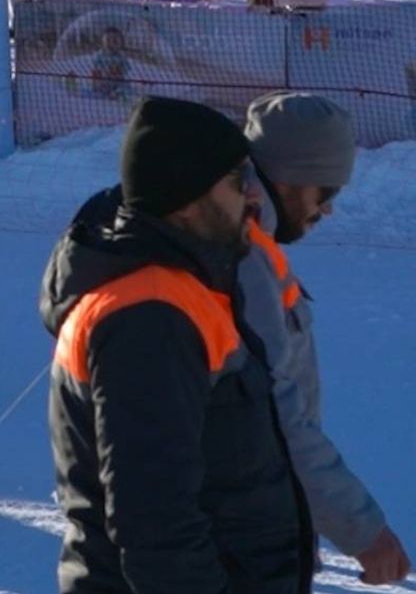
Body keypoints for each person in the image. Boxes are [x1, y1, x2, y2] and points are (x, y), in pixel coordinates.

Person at [40, 96, 311, 593]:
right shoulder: (149, 316)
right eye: (235, 182)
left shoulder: (189, 288)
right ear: (187, 199)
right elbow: (156, 526)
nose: (252, 198)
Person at [241, 92, 411, 585]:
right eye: (326, 190)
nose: (329, 209)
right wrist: (365, 531)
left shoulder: (250, 242)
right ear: (291, 176)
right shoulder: (242, 257)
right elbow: (279, 415)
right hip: (242, 539)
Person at [90, 27, 132, 100]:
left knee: (126, 85)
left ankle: (117, 93)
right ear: (103, 42)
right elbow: (96, 67)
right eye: (108, 40)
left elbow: (127, 67)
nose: (111, 44)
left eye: (115, 41)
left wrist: (120, 70)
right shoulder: (100, 55)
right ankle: (108, 94)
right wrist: (104, 71)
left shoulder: (121, 56)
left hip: (118, 79)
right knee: (100, 87)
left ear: (121, 44)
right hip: (105, 79)